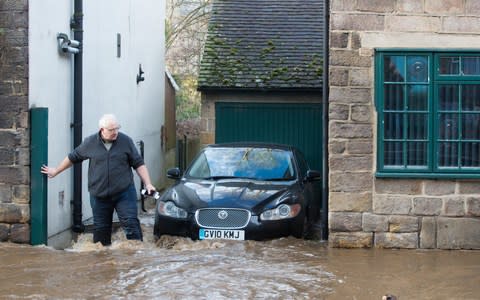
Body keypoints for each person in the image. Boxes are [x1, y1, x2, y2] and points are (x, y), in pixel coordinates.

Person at [41, 113, 156, 246]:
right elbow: (73, 157)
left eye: (117, 128)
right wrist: (56, 170)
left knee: (131, 223)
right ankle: (104, 263)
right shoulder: (90, 142)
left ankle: (137, 257)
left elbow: (139, 164)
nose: (115, 132)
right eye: (111, 130)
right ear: (102, 129)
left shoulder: (126, 141)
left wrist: (148, 184)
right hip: (99, 195)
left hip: (124, 192)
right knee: (101, 234)